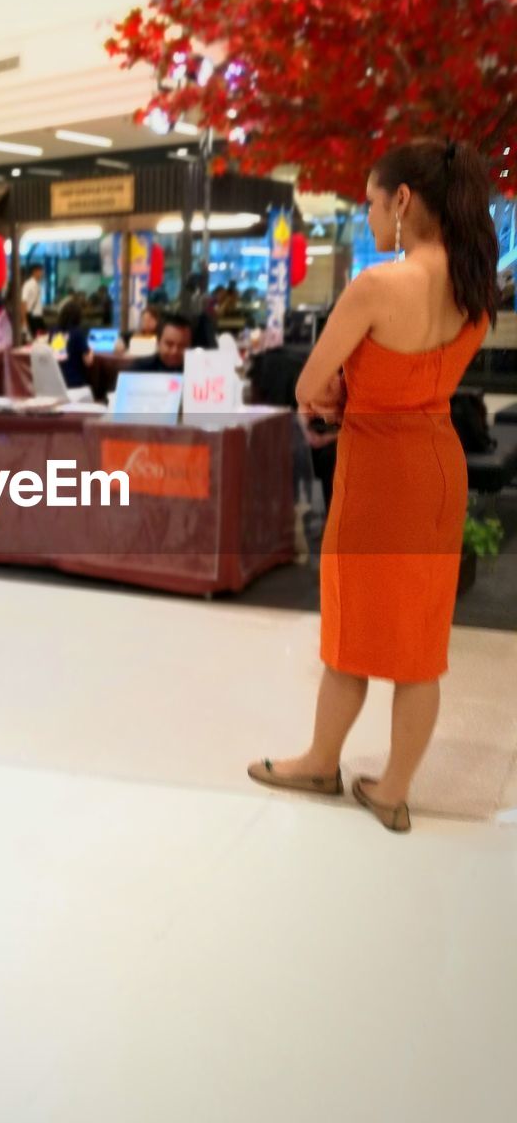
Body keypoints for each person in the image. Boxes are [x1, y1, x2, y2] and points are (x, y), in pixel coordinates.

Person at [248, 138, 498, 832]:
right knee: (419, 644)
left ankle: (321, 761)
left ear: (404, 201)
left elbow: (307, 381)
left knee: (353, 630)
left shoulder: (377, 286)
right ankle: (392, 788)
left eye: (369, 202)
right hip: (437, 469)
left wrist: (329, 397)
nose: (367, 216)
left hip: (379, 474)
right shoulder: (477, 290)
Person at [56, 299, 93, 388]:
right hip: (75, 384)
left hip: (60, 383)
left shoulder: (57, 332)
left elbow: (59, 357)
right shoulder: (78, 333)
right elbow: (88, 361)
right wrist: (91, 349)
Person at [21, 265, 44, 338]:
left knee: (41, 337)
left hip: (37, 316)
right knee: (38, 337)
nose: (42, 273)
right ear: (34, 272)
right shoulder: (28, 284)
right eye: (40, 271)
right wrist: (24, 320)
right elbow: (23, 302)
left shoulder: (37, 284)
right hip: (32, 317)